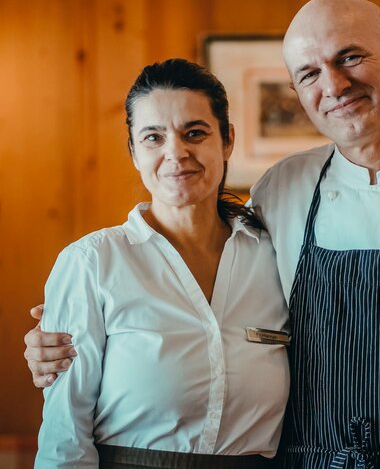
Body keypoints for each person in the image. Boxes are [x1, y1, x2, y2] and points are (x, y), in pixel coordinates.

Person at [26, 0, 380, 467]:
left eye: (350, 56)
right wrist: (55, 345)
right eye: (309, 73)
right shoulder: (284, 189)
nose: (333, 85)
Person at [31, 59, 290, 468]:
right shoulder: (92, 263)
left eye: (195, 133)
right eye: (153, 137)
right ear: (134, 151)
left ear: (227, 141)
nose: (176, 152)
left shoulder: (276, 256)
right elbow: (66, 433)